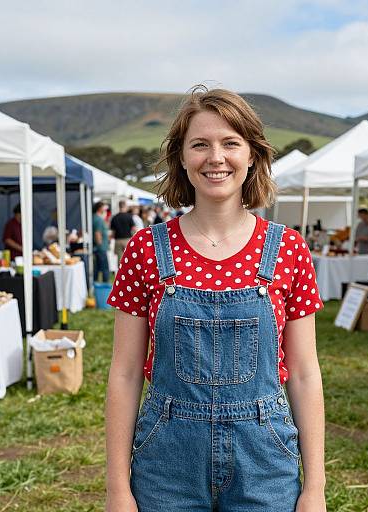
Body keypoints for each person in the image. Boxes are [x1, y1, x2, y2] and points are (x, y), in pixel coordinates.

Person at [105, 87, 326, 512]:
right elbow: (126, 373)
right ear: (182, 157)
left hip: (264, 459)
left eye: (230, 143)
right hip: (166, 459)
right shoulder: (146, 249)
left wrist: (314, 488)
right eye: (200, 144)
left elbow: (304, 374)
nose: (216, 157)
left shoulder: (288, 249)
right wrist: (118, 489)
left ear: (252, 155)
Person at [93, 201, 110, 282]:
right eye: (104, 207)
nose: (105, 209)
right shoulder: (98, 219)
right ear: (99, 208)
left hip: (99, 247)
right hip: (101, 248)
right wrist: (100, 244)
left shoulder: (95, 217)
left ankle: (96, 284)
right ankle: (106, 285)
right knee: (105, 268)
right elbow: (97, 233)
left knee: (97, 268)